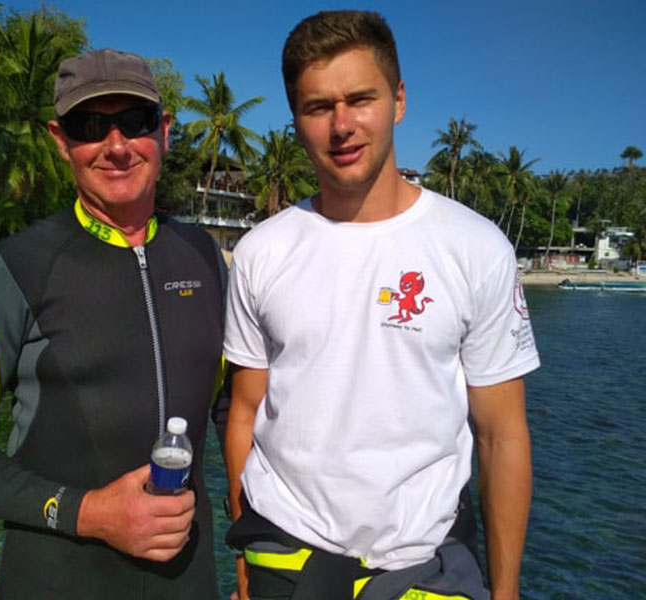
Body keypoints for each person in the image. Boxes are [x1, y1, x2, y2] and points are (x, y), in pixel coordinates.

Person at [224, 10, 539, 600]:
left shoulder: (475, 248)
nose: (341, 125)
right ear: (296, 122)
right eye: (318, 107)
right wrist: (244, 559)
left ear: (398, 100)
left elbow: (502, 436)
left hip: (424, 564)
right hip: (284, 554)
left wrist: (507, 591)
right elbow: (244, 411)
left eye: (360, 98)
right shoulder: (261, 252)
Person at [0, 48, 228, 599]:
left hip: (190, 581)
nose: (116, 146)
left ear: (163, 130)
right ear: (61, 141)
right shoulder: (15, 267)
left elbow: (235, 410)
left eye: (133, 122)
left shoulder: (203, 256)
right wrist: (88, 513)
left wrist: (256, 546)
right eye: (91, 126)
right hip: (55, 580)